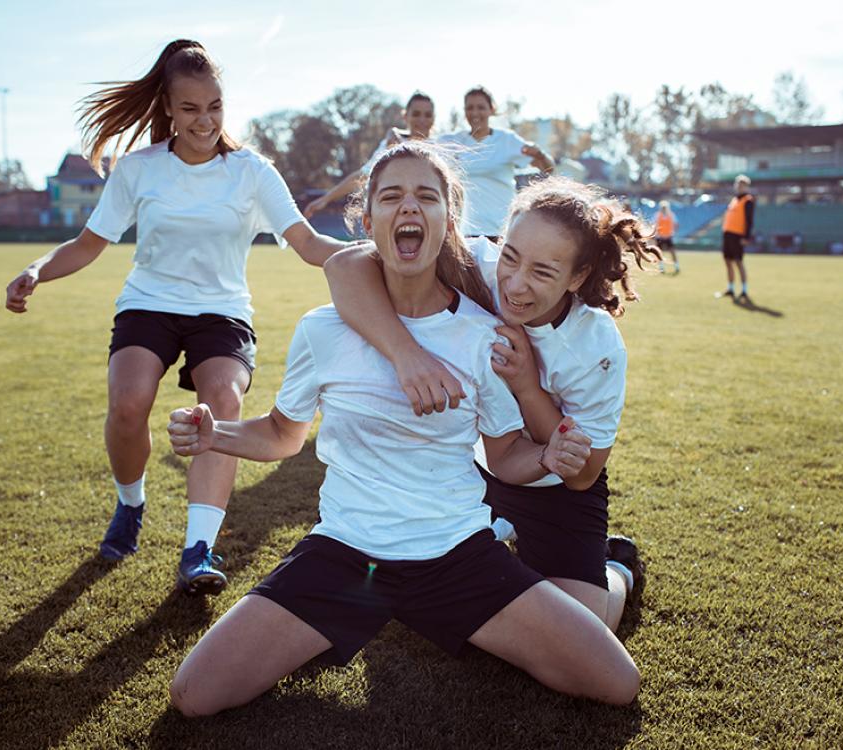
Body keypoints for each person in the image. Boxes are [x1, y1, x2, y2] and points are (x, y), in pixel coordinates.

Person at [165, 142, 639, 716]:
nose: (408, 207)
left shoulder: (490, 336)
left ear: (449, 220)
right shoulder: (323, 329)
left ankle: (596, 568)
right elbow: (284, 434)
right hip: (344, 554)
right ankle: (394, 599)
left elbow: (515, 455)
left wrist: (547, 456)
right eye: (391, 196)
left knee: (616, 682)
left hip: (459, 556)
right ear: (369, 223)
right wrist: (217, 434)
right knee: (194, 694)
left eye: (426, 196)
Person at [4, 39, 352, 596]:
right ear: (168, 108)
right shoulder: (140, 170)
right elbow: (89, 244)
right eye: (190, 109)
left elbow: (309, 243)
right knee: (129, 404)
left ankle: (198, 548)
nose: (205, 120)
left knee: (223, 404)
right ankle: (130, 504)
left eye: (214, 106)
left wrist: (373, 257)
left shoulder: (252, 172)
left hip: (222, 313)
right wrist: (37, 270)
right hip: (149, 304)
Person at [325, 176, 660, 633]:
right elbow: (345, 266)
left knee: (581, 629)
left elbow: (581, 475)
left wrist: (526, 386)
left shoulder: (596, 346)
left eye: (543, 272)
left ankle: (616, 567)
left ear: (577, 277)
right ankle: (497, 534)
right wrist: (408, 356)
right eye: (511, 257)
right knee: (431, 601)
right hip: (473, 470)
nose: (515, 285)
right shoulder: (476, 267)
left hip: (553, 491)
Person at [439, 86, 554, 241]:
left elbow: (548, 168)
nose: (475, 113)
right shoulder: (452, 141)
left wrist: (539, 153)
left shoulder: (506, 140)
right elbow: (420, 145)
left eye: (481, 107)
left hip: (500, 229)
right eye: (470, 108)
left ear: (491, 110)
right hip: (463, 231)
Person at [303, 92, 436, 220]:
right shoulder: (390, 143)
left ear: (434, 118)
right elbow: (363, 175)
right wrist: (325, 199)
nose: (422, 119)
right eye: (416, 114)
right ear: (405, 116)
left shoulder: (442, 146)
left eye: (428, 115)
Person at [717, 175, 754, 301]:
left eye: (742, 184)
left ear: (747, 187)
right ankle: (730, 288)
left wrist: (746, 237)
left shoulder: (748, 200)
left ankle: (744, 290)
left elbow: (749, 221)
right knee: (728, 261)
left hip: (738, 236)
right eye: (738, 184)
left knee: (739, 262)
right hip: (728, 234)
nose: (739, 186)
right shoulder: (734, 200)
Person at [654, 200, 679, 274]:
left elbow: (676, 224)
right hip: (660, 237)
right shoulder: (657, 215)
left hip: (668, 237)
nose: (664, 209)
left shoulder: (671, 215)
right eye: (663, 207)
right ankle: (661, 268)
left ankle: (677, 266)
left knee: (673, 252)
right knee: (659, 253)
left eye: (665, 207)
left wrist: (673, 233)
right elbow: (654, 225)